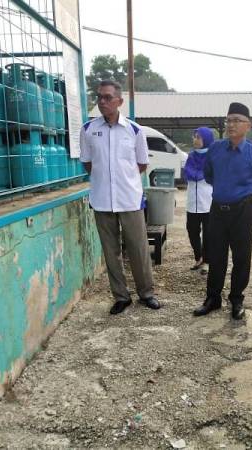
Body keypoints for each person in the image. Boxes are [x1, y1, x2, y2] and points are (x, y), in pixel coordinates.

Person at [80, 80, 160, 314]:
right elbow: (87, 163)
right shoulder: (88, 130)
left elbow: (142, 164)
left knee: (138, 248)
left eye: (107, 97)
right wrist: (105, 179)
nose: (102, 101)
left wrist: (122, 179)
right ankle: (121, 296)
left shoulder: (134, 130)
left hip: (129, 199)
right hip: (102, 199)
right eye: (99, 97)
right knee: (110, 250)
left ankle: (146, 293)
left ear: (119, 101)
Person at [193, 102, 252, 320]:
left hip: (243, 211)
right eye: (228, 120)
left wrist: (249, 202)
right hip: (218, 209)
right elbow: (209, 175)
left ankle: (237, 299)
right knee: (216, 255)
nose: (231, 124)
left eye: (237, 120)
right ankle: (213, 298)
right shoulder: (216, 149)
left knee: (241, 257)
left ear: (248, 125)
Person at [184, 127, 214, 274]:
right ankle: (199, 257)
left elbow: (208, 174)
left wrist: (198, 174)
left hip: (208, 202)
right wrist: (197, 174)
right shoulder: (190, 156)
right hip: (192, 203)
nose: (195, 139)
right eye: (194, 136)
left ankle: (207, 261)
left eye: (198, 137)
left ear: (206, 140)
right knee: (192, 230)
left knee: (209, 233)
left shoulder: (212, 157)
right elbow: (187, 172)